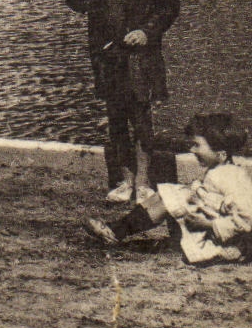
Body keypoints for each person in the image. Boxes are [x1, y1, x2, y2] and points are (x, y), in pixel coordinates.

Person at [65, 0, 180, 204]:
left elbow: (169, 5)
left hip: (140, 53)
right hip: (106, 52)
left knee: (141, 114)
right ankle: (122, 180)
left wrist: (147, 31)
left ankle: (144, 182)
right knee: (115, 114)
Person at [85, 113, 252, 264]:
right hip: (211, 230)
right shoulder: (222, 170)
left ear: (220, 154)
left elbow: (247, 219)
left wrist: (209, 225)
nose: (192, 149)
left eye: (197, 145)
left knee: (175, 198)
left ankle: (115, 232)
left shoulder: (233, 178)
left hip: (227, 243)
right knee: (171, 192)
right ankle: (117, 229)